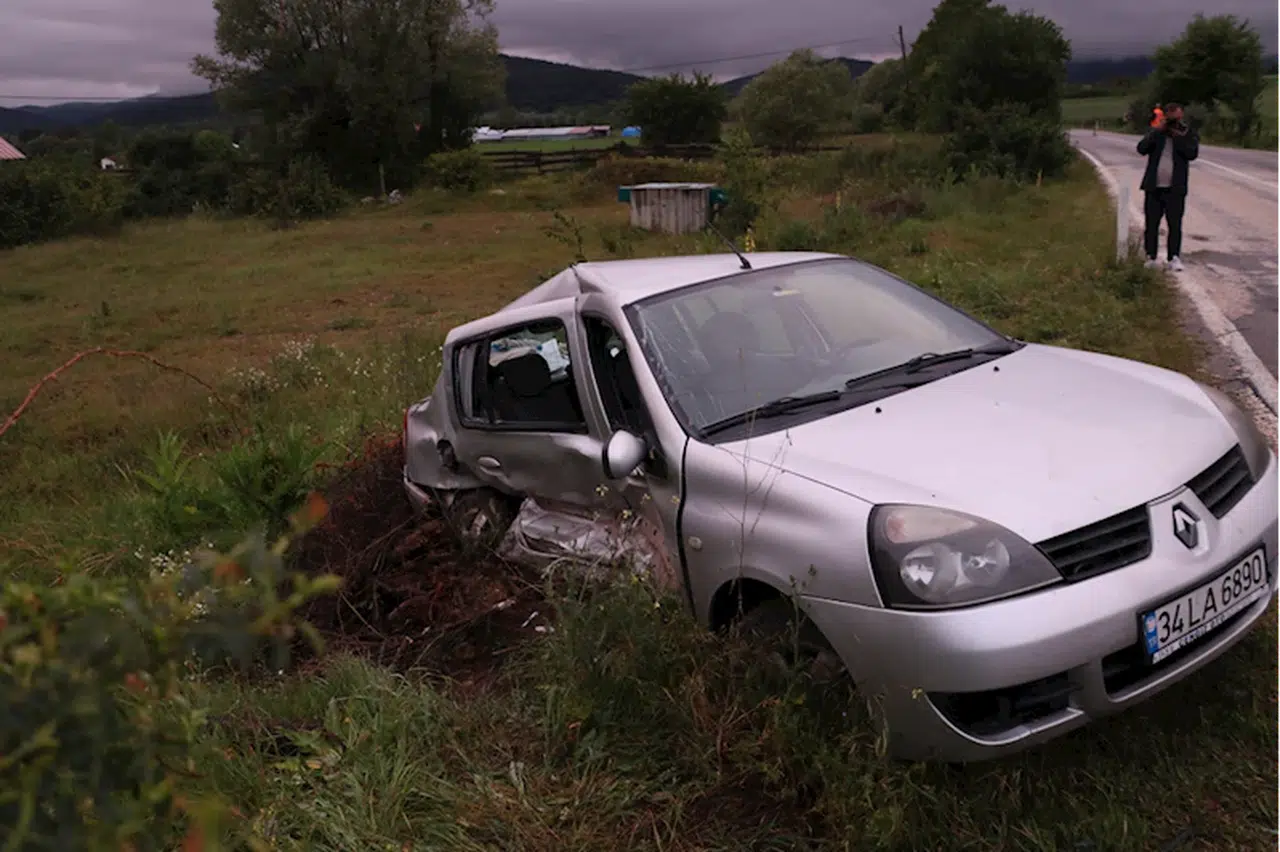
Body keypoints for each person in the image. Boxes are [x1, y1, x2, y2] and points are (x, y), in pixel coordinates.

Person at [1137, 102, 1199, 272]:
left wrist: (1177, 136)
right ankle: (1151, 256)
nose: (1172, 123)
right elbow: (1141, 149)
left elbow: (1192, 154)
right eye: (1169, 118)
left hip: (1175, 188)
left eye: (1175, 118)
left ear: (1181, 116)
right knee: (1152, 223)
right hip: (1154, 187)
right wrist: (1157, 131)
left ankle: (1174, 257)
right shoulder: (1157, 133)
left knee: (1175, 224)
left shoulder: (1187, 133)